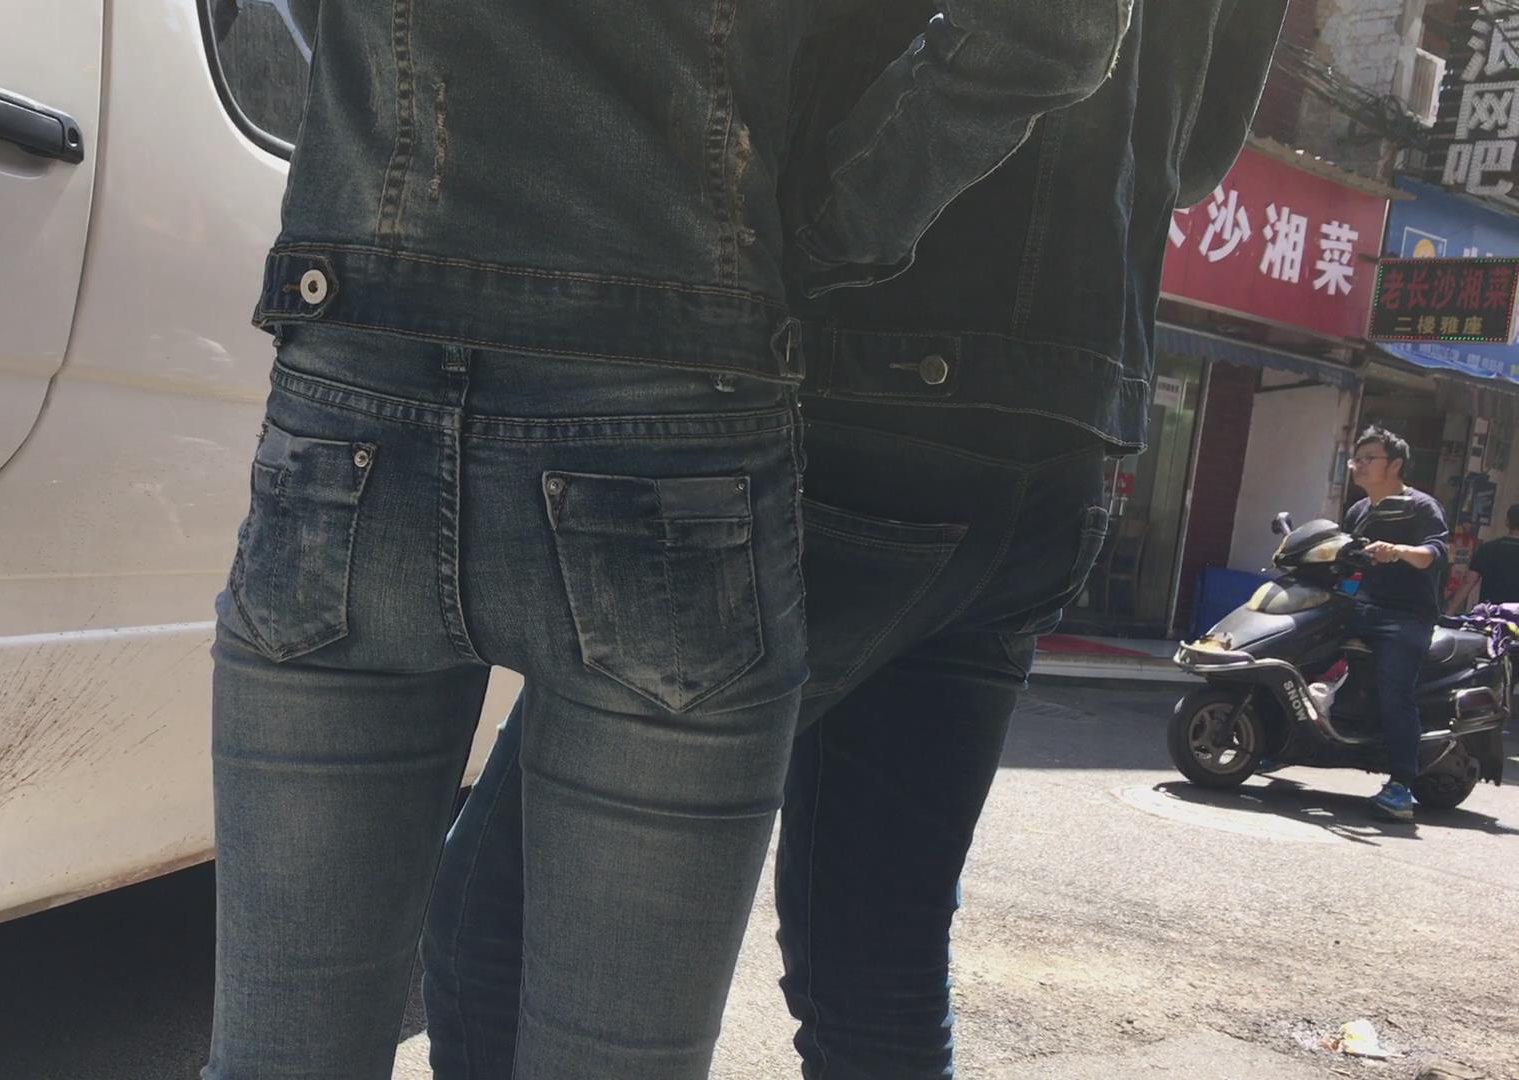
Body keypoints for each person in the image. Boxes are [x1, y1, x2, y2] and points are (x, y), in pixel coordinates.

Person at [204, 1, 1131, 1078]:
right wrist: (822, 231)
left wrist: (361, 136)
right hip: (673, 403)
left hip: (358, 381)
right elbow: (1053, 24)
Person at [422, 1, 1287, 1077]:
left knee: (507, 927)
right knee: (877, 963)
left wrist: (819, 236)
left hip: (846, 382)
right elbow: (1193, 157)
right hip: (1064, 437)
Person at [1344, 426, 1451, 821]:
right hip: (1362, 607)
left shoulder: (1421, 506)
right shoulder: (1358, 511)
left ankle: (1401, 786)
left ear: (1395, 465)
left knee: (1395, 690)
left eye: (1368, 458)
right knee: (1302, 649)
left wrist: (1399, 550)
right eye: (1356, 459)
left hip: (1406, 615)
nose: (1359, 465)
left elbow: (1433, 553)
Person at [1447, 504, 1519, 614]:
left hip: (1490, 613)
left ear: (1507, 522)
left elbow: (1469, 581)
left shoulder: (1488, 548)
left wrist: (1450, 611)